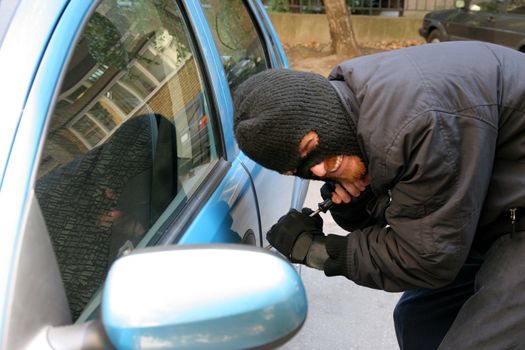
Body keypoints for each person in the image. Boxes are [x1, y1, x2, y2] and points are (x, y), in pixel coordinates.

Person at [232, 41, 525, 350]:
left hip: (513, 218)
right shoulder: (356, 107)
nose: (317, 171)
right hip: (495, 207)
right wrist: (357, 200)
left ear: (320, 110)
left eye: (309, 147)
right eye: (299, 169)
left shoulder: (416, 122)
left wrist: (317, 250)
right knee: (418, 316)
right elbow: (420, 206)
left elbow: (427, 258)